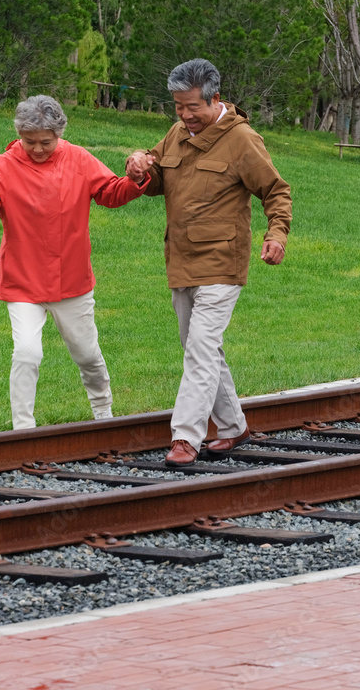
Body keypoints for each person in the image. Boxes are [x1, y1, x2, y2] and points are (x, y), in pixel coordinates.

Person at [126, 59, 291, 466]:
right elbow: (158, 181)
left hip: (222, 261)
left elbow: (276, 191)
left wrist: (277, 235)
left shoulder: (242, 140)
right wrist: (140, 168)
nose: (184, 115)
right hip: (180, 259)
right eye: (178, 107)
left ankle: (186, 437)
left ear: (214, 99)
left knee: (200, 348)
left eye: (192, 107)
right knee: (199, 348)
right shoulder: (177, 133)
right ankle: (234, 427)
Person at [0, 94, 150, 430]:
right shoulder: (4, 164)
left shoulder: (78, 159)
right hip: (22, 281)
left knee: (87, 355)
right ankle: (23, 429)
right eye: (29, 141)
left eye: (45, 142)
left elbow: (110, 192)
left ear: (60, 134)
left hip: (71, 280)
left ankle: (104, 414)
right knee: (27, 353)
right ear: (18, 133)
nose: (37, 149)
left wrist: (135, 181)